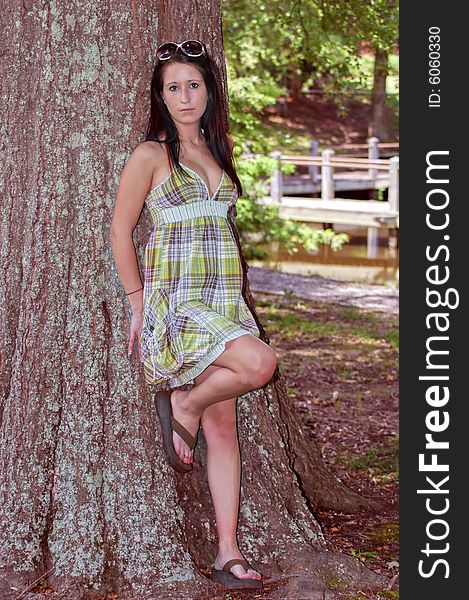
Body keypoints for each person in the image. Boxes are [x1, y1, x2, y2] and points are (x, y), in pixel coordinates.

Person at [109, 39, 277, 590]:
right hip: (181, 303)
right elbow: (120, 232)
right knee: (259, 364)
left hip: (224, 301)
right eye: (173, 87)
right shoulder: (150, 156)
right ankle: (183, 401)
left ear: (209, 90)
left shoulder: (217, 150)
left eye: (194, 85)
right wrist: (137, 303)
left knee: (224, 430)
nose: (185, 96)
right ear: (160, 96)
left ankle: (227, 552)